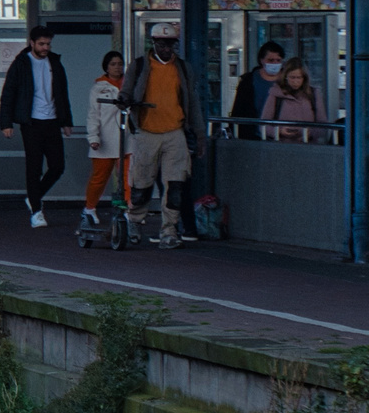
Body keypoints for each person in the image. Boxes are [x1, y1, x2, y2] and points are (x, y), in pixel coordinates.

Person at [121, 21, 207, 249]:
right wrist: (125, 101)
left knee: (176, 185)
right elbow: (125, 92)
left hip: (175, 132)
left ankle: (169, 230)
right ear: (153, 43)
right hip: (146, 131)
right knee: (141, 183)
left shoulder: (183, 69)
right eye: (162, 44)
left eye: (170, 44)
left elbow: (193, 103)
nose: (166, 49)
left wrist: (199, 135)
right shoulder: (139, 66)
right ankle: (134, 220)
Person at [0, 25, 72, 228]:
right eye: (41, 44)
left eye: (48, 44)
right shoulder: (21, 64)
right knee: (34, 167)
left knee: (57, 166)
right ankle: (37, 211)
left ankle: (33, 197)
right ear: (32, 43)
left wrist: (66, 121)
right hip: (31, 122)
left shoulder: (55, 63)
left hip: (52, 121)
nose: (45, 47)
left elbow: (62, 94)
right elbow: (8, 94)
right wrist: (6, 123)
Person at [82, 51, 128, 226]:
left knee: (127, 177)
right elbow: (93, 115)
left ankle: (127, 210)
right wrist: (93, 136)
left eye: (120, 64)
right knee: (100, 177)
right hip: (105, 138)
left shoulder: (129, 85)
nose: (117, 67)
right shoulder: (99, 88)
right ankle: (89, 208)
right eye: (113, 64)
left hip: (127, 138)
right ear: (106, 67)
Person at [261, 56, 328, 144]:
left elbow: (323, 125)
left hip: (308, 147)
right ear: (286, 77)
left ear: (304, 78)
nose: (295, 81)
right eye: (292, 77)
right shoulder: (276, 94)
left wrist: (310, 133)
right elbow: (264, 124)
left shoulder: (313, 94)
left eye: (299, 78)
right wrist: (279, 131)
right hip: (281, 146)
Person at [227, 40, 285, 140]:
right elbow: (238, 109)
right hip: (252, 136)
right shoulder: (248, 81)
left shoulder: (288, 80)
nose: (275, 64)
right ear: (261, 60)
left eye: (278, 60)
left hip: (282, 137)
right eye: (271, 60)